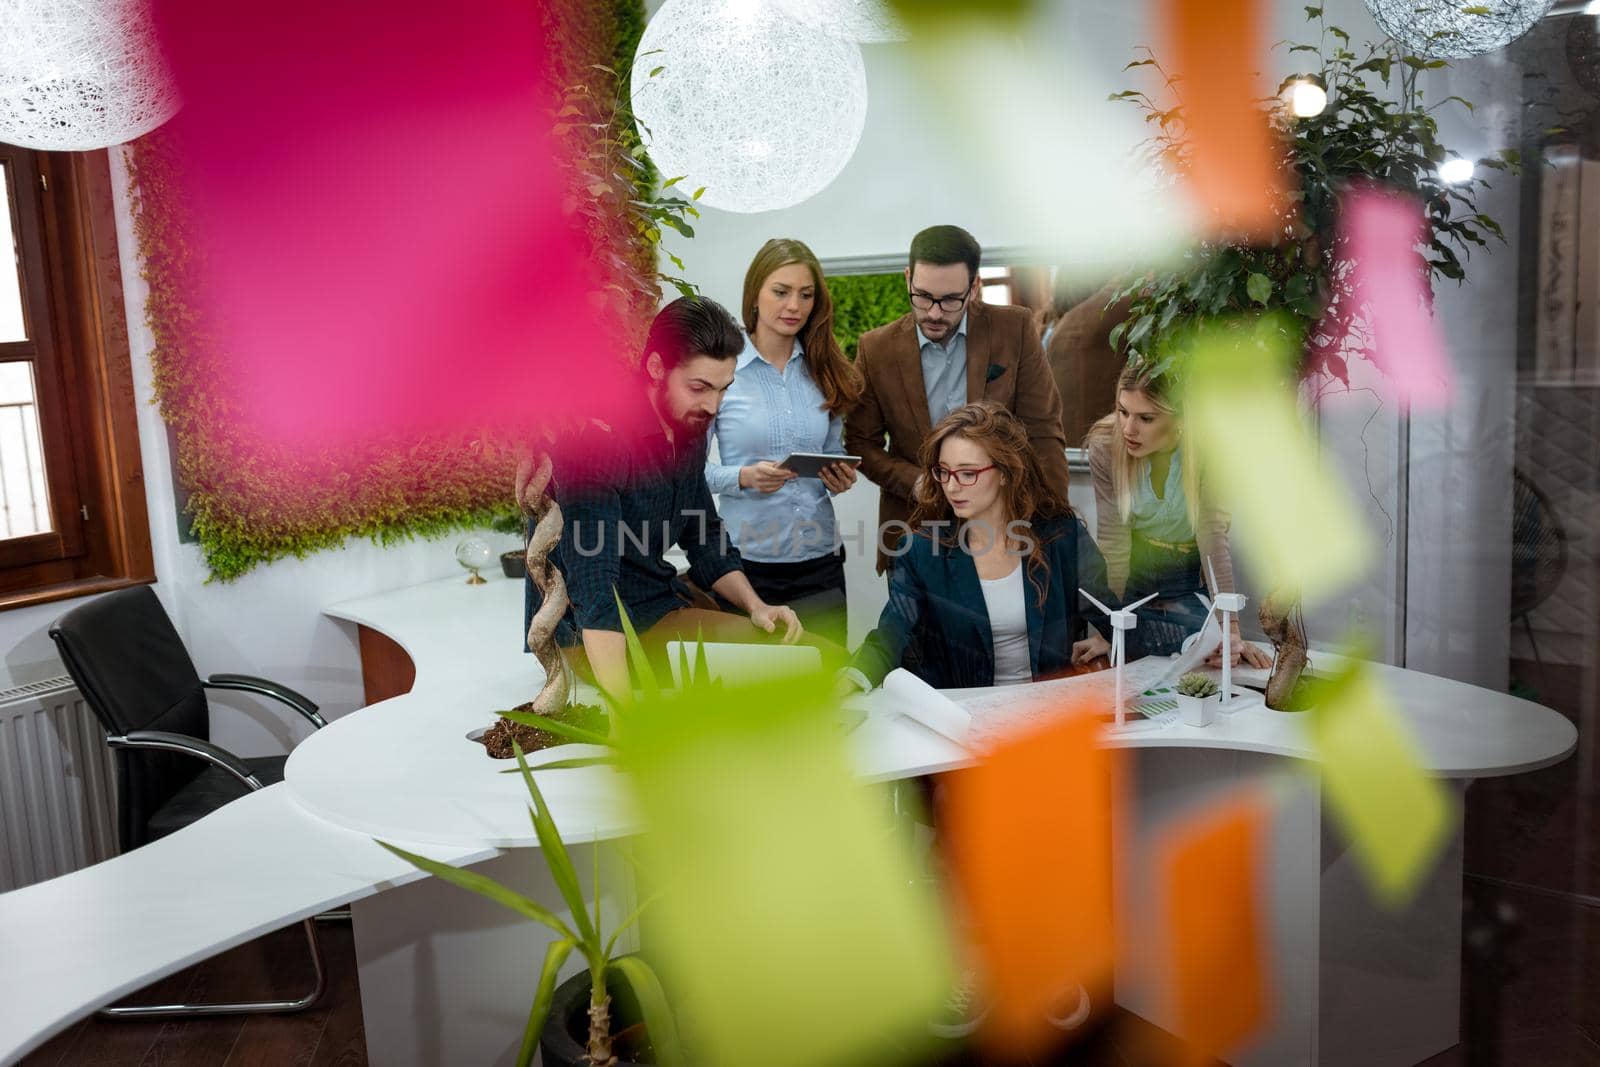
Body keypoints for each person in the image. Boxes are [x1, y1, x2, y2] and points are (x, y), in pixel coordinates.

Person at [530, 296, 810, 699]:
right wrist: (623, 709)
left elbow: (703, 534)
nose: (713, 406)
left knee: (814, 661)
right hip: (599, 633)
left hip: (657, 602)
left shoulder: (688, 426)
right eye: (699, 387)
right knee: (802, 673)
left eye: (723, 389)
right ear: (657, 367)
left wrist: (756, 605)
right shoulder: (600, 438)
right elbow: (593, 586)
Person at [841, 402, 1115, 692]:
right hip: (962, 719)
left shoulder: (1061, 536)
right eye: (943, 471)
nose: (951, 486)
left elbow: (1114, 613)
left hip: (1048, 717)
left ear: (1006, 473)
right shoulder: (921, 551)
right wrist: (852, 679)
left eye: (967, 473)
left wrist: (1111, 639)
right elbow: (890, 634)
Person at [846, 225, 1071, 575]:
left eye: (951, 299)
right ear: (908, 278)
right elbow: (861, 443)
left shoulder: (1015, 329)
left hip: (1006, 529)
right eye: (922, 296)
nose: (934, 313)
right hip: (914, 531)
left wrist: (1054, 524)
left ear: (975, 286)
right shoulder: (876, 348)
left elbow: (1043, 432)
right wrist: (918, 482)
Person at [704, 238, 862, 646]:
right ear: (754, 294)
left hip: (820, 563)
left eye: (805, 295)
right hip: (747, 569)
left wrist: (837, 474)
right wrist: (743, 477)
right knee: (753, 697)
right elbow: (690, 472)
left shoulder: (824, 368)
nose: (794, 305)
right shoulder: (722, 368)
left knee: (825, 686)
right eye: (781, 291)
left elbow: (830, 453)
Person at [1084, 359, 1271, 666]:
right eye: (1123, 411)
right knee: (1132, 661)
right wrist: (1110, 626)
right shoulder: (1105, 445)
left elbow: (1213, 537)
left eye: (1146, 418)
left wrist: (1230, 630)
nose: (1128, 428)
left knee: (1212, 656)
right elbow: (1113, 541)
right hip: (1133, 580)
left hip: (1186, 582)